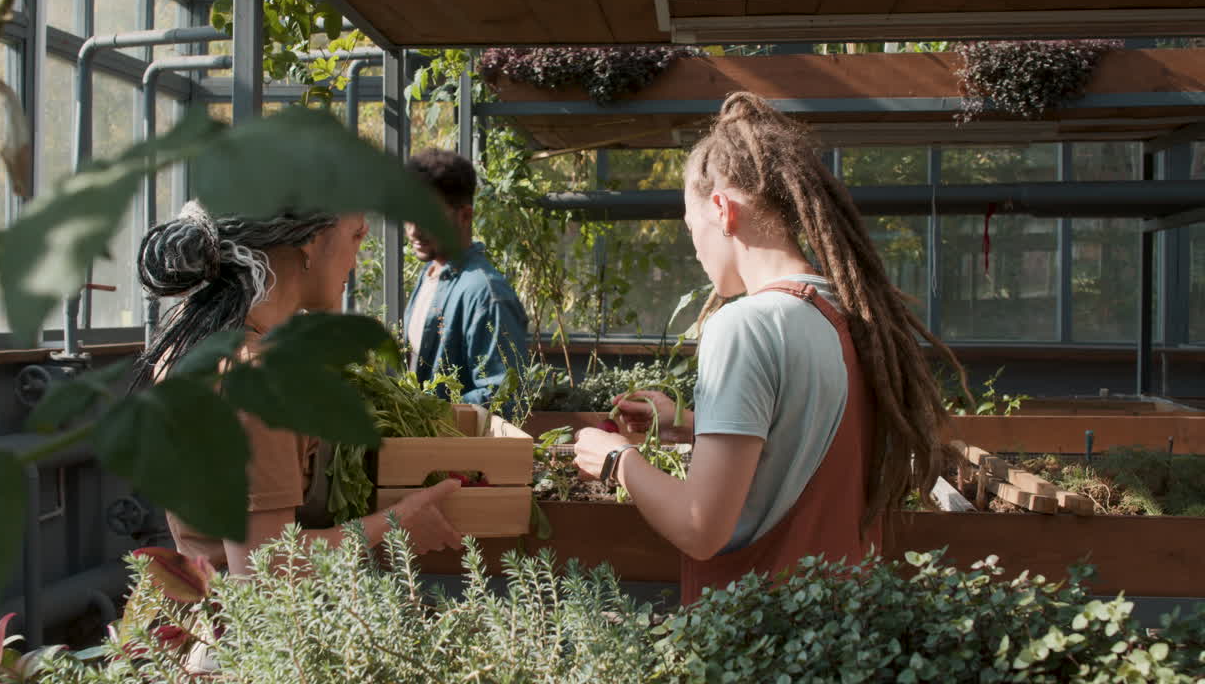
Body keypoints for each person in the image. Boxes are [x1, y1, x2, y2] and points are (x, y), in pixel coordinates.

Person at [573, 93, 967, 605]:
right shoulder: (848, 313)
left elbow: (700, 527)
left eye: (692, 229)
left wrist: (616, 459)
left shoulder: (746, 326)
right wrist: (694, 424)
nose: (695, 250)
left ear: (722, 210)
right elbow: (810, 430)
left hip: (759, 629)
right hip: (842, 621)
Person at [133, 202, 462, 576]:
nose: (355, 261)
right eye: (356, 236)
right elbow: (266, 567)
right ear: (309, 241)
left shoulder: (197, 345)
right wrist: (396, 522)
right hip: (256, 628)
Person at [403, 148, 529, 407]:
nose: (414, 230)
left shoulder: (486, 294)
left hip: (456, 446)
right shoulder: (430, 276)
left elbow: (504, 395)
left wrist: (430, 414)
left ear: (464, 216)